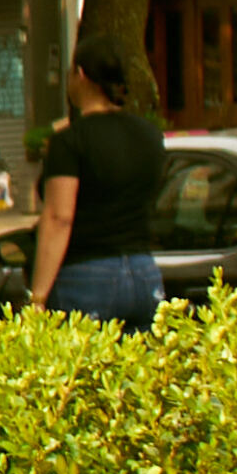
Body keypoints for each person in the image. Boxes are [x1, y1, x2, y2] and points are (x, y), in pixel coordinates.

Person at [28, 38, 170, 327]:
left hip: (86, 274)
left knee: (84, 367)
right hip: (144, 272)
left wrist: (38, 297)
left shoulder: (70, 143)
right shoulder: (150, 136)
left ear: (80, 75)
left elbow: (59, 217)